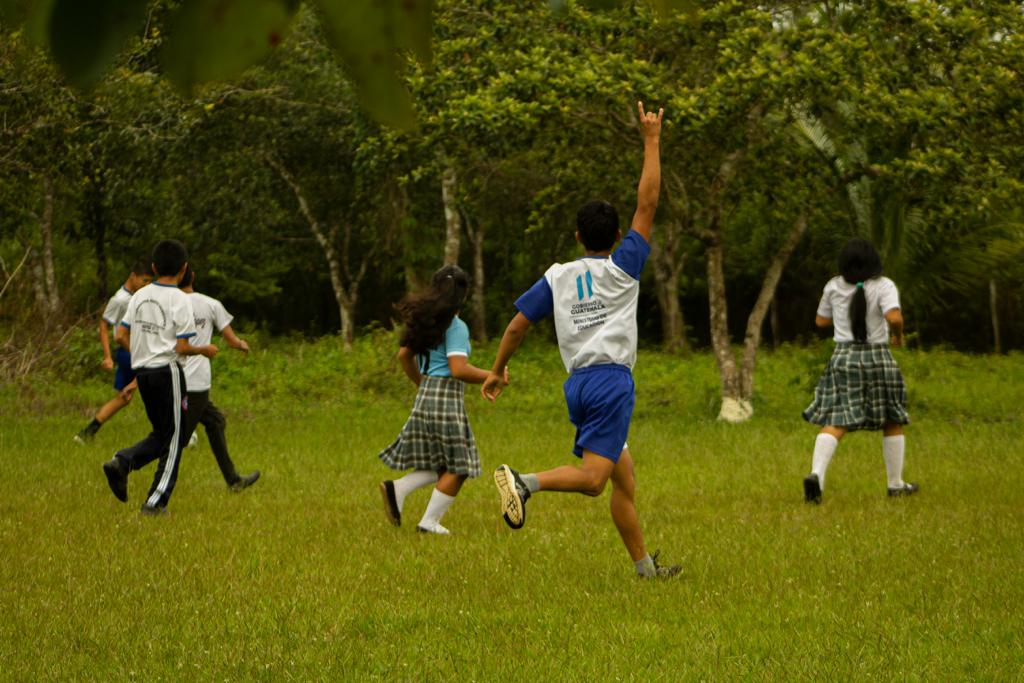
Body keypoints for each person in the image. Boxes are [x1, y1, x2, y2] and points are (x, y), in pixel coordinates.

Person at [481, 102, 680, 579]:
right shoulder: (623, 266)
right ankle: (524, 483)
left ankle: (646, 570)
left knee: (623, 480)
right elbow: (648, 203)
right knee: (594, 481)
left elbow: (516, 327)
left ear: (577, 236)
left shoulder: (558, 276)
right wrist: (651, 141)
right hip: (612, 382)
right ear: (616, 235)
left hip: (578, 386)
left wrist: (497, 369)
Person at [377, 265, 503, 535]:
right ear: (463, 296)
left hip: (426, 395)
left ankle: (398, 489)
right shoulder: (455, 327)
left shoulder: (425, 321)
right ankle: (429, 523)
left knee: (443, 463)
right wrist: (493, 375)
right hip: (446, 398)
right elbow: (457, 369)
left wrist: (422, 384)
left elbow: (403, 356)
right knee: (460, 466)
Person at [101, 240, 217, 515]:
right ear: (183, 269)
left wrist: (144, 353)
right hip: (169, 373)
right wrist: (205, 349)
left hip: (143, 374)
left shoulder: (139, 296)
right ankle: (155, 502)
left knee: (163, 433)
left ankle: (123, 462)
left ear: (153, 267)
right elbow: (182, 347)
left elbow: (120, 334)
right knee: (177, 438)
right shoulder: (180, 299)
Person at [120, 266, 260, 492]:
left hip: (170, 376)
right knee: (176, 440)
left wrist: (136, 381)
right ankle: (125, 462)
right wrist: (243, 345)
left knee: (215, 421)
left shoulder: (165, 304)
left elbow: (156, 346)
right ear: (191, 275)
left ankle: (233, 480)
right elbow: (232, 341)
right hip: (195, 383)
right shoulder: (210, 304)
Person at [801, 237, 918, 503]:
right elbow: (894, 317)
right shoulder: (884, 285)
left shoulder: (833, 286)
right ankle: (895, 484)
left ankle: (816, 474)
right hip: (878, 358)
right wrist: (897, 335)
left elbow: (820, 321)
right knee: (892, 418)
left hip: (844, 357)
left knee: (837, 420)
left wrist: (842, 313)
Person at [74, 259, 152, 444]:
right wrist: (107, 356)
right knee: (158, 389)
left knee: (124, 397)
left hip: (132, 352)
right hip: (130, 352)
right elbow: (104, 325)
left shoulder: (138, 296)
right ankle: (182, 433)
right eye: (144, 280)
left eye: (150, 281)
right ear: (133, 276)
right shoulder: (120, 300)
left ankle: (87, 432)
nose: (147, 285)